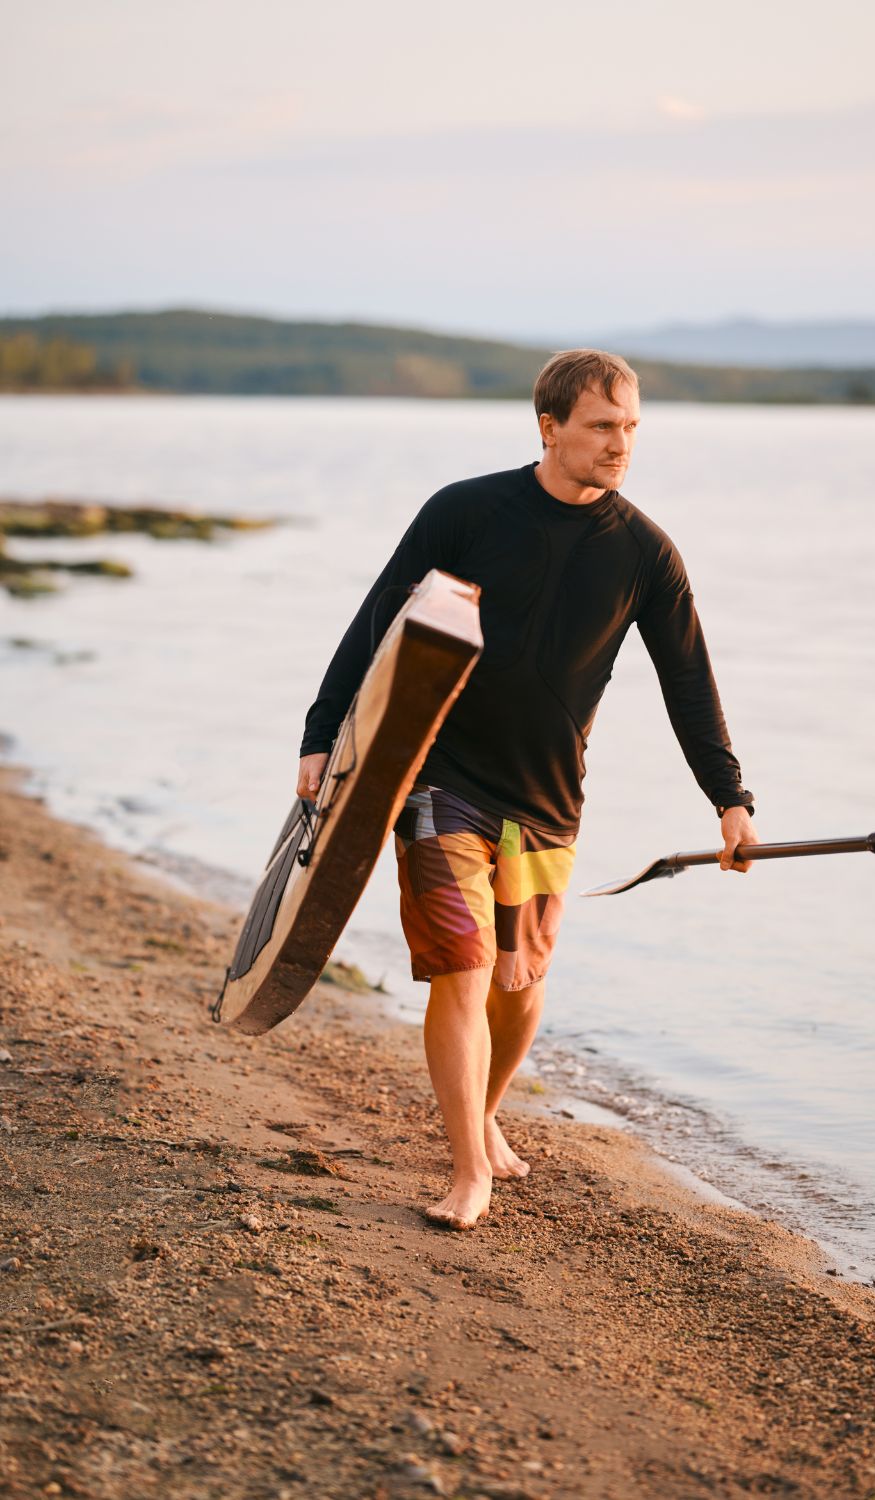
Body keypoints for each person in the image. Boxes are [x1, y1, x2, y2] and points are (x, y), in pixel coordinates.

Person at [296, 349, 758, 1231]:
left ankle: (485, 1111)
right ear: (550, 426)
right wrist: (323, 735)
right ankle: (468, 1169)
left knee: (520, 981)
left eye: (631, 427)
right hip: (440, 777)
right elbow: (376, 621)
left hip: (547, 799)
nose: (621, 444)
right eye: (602, 426)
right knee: (463, 967)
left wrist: (730, 801)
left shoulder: (645, 553)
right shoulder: (467, 512)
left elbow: (689, 684)